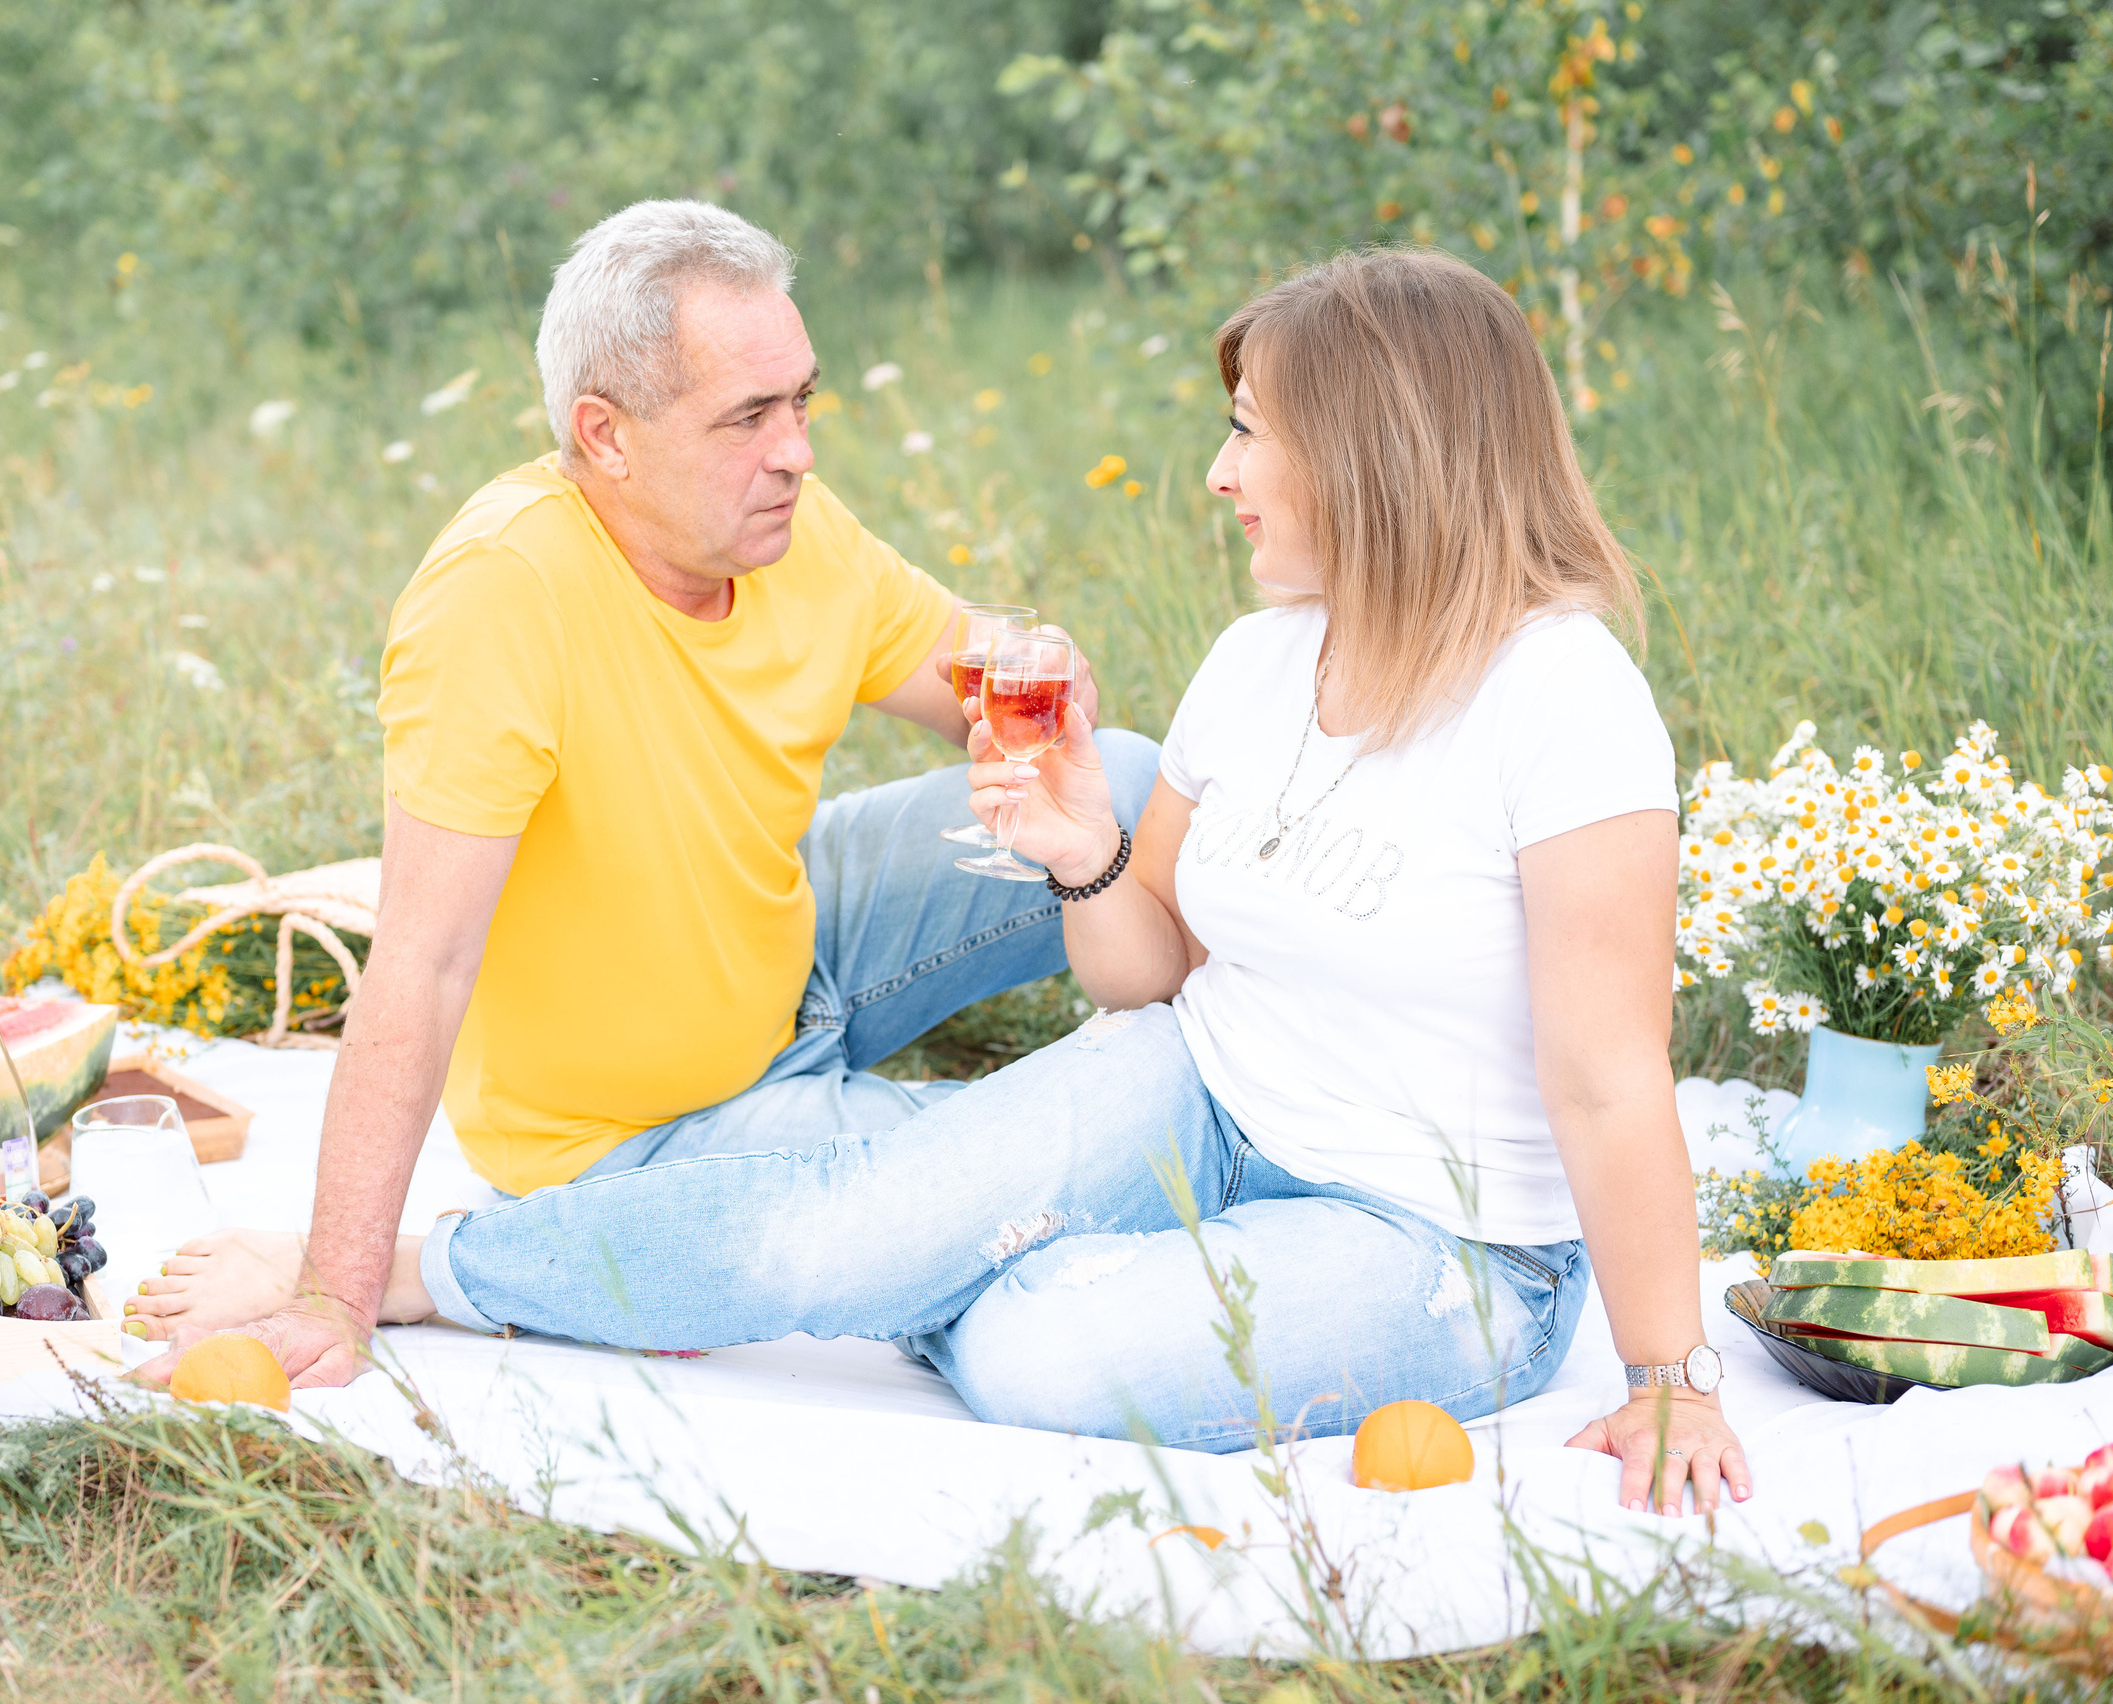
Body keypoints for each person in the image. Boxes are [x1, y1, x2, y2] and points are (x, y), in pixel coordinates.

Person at [149, 244, 1754, 1519]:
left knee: (1026, 1346)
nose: (1217, 475)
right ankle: (455, 1271)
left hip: (1445, 1238)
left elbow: (1613, 1080)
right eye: (1236, 430)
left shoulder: (1564, 703)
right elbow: (1143, 977)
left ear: (1377, 456)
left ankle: (910, 1220)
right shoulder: (1266, 660)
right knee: (826, 1239)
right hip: (1203, 1091)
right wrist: (1087, 856)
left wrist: (1668, 1369)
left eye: (1251, 435)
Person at [129, 200, 1160, 1384]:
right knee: (1028, 1178)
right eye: (748, 418)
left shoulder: (784, 526)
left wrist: (1044, 685)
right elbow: (421, 962)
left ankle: (1261, 1048)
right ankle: (469, 1262)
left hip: (790, 950)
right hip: (632, 1127)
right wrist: (331, 1293)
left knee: (1126, 780)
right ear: (605, 436)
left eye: (802, 402)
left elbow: (976, 675)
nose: (797, 451)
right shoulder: (502, 597)